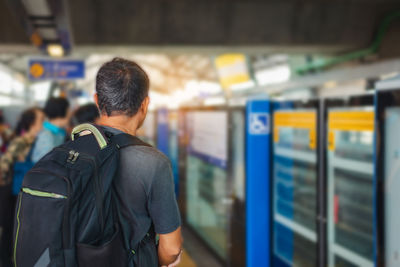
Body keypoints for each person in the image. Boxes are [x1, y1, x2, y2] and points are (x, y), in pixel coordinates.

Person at [95, 58, 182, 266]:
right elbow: (171, 248)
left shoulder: (67, 153)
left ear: (97, 100)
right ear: (145, 104)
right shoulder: (153, 163)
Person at [0, 107, 45, 267]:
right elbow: (4, 165)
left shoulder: (40, 140)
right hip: (13, 192)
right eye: (41, 120)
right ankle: (7, 261)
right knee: (11, 228)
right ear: (32, 123)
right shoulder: (21, 141)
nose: (44, 123)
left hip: (24, 192)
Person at [31, 97, 70, 162]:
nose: (70, 114)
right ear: (63, 112)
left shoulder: (58, 131)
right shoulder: (46, 135)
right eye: (69, 110)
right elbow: (45, 163)